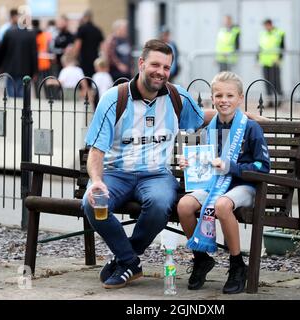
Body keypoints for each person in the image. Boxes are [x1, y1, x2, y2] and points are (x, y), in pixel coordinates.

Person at [82, 39, 216, 290]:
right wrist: (97, 181)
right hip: (116, 173)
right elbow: (97, 150)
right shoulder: (114, 99)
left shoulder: (178, 97)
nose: (161, 72)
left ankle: (126, 259)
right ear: (141, 64)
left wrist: (245, 115)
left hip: (156, 175)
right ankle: (129, 261)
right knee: (91, 202)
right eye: (155, 64)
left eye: (166, 67)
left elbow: (200, 118)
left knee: (160, 203)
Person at [177, 71, 270, 294]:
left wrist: (231, 167)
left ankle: (237, 264)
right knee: (184, 206)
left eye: (229, 95)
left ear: (240, 98)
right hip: (215, 185)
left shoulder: (250, 128)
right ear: (212, 98)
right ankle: (201, 258)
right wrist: (188, 162)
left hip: (244, 186)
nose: (223, 100)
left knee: (222, 206)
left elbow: (263, 167)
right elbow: (204, 160)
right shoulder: (209, 129)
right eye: (218, 95)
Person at [0, 14, 37, 97]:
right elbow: (34, 54)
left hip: (10, 68)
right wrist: (35, 71)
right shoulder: (31, 35)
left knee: (11, 92)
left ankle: (14, 108)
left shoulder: (8, 33)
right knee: (22, 93)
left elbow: (2, 51)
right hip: (26, 69)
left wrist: (1, 66)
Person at [258, 19, 285, 106]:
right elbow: (260, 47)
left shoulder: (279, 33)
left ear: (270, 24)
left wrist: (280, 58)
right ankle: (269, 101)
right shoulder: (263, 34)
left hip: (274, 62)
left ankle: (279, 99)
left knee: (276, 82)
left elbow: (282, 47)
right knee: (267, 82)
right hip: (265, 62)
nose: (266, 27)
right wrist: (257, 59)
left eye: (267, 25)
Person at [73, 10, 104, 78]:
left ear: (84, 17)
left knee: (84, 78)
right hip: (95, 58)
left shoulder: (81, 29)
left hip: (84, 59)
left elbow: (78, 44)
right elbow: (102, 46)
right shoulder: (97, 29)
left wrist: (74, 57)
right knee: (93, 79)